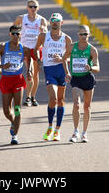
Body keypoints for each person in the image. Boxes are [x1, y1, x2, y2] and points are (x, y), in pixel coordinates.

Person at [0, 25, 33, 145]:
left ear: (21, 35)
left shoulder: (24, 48)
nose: (15, 36)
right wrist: (2, 66)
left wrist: (29, 70)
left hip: (18, 80)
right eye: (13, 33)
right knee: (6, 111)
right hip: (6, 80)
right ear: (9, 34)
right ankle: (13, 122)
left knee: (17, 108)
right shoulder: (2, 47)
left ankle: (15, 135)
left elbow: (30, 59)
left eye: (17, 34)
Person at [34, 12, 72, 142]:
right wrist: (39, 60)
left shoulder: (66, 39)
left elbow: (69, 56)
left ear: (62, 23)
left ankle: (57, 130)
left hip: (61, 70)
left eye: (57, 21)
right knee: (53, 98)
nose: (55, 23)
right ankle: (50, 126)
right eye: (53, 20)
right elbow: (36, 49)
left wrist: (61, 59)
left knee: (61, 100)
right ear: (50, 22)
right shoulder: (44, 36)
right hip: (49, 69)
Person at [66, 24, 100, 143]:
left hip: (88, 79)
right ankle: (75, 132)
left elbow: (97, 67)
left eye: (85, 34)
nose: (83, 36)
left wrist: (90, 67)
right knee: (76, 104)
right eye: (81, 34)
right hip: (76, 79)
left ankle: (84, 133)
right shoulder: (71, 47)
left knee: (87, 107)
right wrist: (67, 73)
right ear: (78, 35)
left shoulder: (92, 50)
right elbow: (64, 59)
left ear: (89, 35)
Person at [14, 0, 47, 107]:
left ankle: (33, 97)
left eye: (35, 7)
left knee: (36, 74)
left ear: (38, 8)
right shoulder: (21, 18)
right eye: (31, 6)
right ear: (27, 7)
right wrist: (16, 43)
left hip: (37, 49)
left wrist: (43, 31)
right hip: (26, 48)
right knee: (30, 71)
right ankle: (27, 97)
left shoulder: (42, 20)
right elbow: (13, 30)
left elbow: (46, 36)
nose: (33, 9)